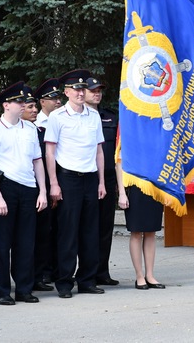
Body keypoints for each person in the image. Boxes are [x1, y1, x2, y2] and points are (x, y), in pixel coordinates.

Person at [0, 82, 47, 305]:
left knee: (26, 242)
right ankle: (3, 291)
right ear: (6, 105)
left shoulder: (30, 129)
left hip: (29, 188)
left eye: (25, 102)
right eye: (19, 102)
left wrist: (43, 191)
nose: (24, 105)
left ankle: (24, 289)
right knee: (3, 243)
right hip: (6, 188)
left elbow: (37, 161)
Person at [44, 69, 107, 298]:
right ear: (67, 92)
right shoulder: (57, 117)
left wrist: (101, 182)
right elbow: (50, 152)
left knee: (90, 232)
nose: (81, 93)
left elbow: (99, 150)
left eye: (83, 89)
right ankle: (64, 282)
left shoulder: (94, 116)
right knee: (68, 233)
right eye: (76, 89)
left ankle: (87, 280)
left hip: (90, 178)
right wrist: (54, 183)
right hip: (67, 178)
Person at [84, 77, 120, 286]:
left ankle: (102, 271)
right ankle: (84, 271)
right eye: (92, 91)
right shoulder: (80, 117)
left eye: (99, 91)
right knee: (86, 227)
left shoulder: (110, 117)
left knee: (105, 227)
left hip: (107, 177)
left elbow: (117, 150)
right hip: (86, 176)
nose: (96, 94)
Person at [32, 77, 62, 291]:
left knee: (59, 227)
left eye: (59, 97)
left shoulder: (61, 120)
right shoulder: (34, 125)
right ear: (42, 101)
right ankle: (42, 271)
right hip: (39, 182)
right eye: (53, 98)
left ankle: (56, 268)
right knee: (43, 229)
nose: (58, 101)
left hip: (61, 179)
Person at [117, 162, 165, 290]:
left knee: (151, 232)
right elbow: (119, 164)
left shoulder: (156, 141)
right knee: (136, 232)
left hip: (154, 187)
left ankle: (150, 275)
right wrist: (122, 193)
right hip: (134, 186)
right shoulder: (129, 141)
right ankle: (139, 276)